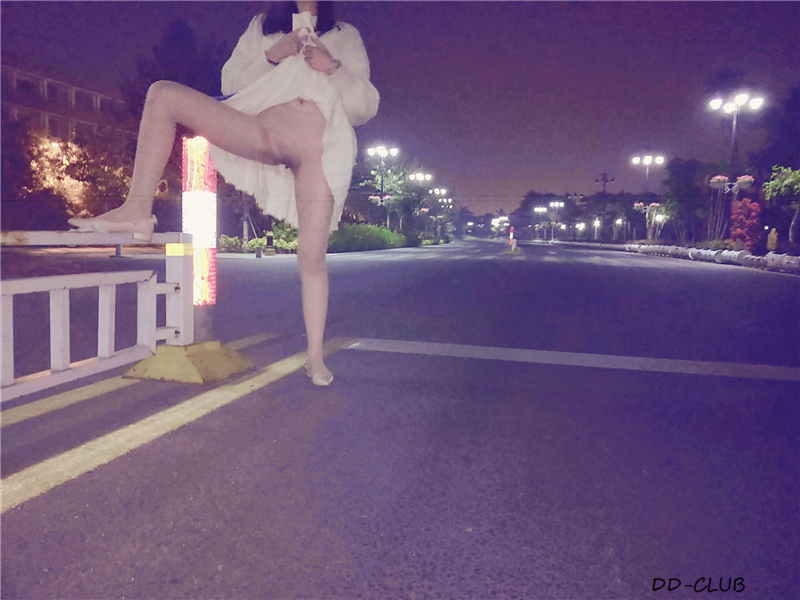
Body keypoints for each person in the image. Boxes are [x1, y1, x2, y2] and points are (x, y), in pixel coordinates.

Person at [68, 1, 380, 386]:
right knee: (163, 94)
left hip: (317, 151)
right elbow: (230, 83)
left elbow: (365, 105)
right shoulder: (263, 26)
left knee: (312, 257)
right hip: (261, 133)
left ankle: (314, 357)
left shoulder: (344, 35)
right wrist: (272, 55)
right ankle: (137, 210)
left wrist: (331, 66)